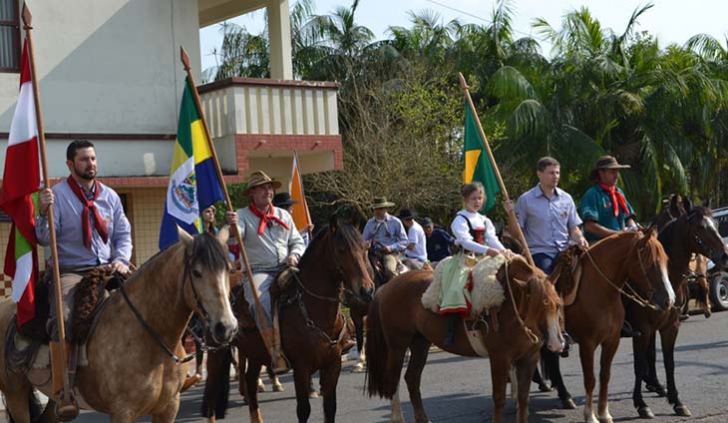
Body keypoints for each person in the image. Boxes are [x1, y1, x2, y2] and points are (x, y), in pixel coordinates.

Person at [36, 139, 132, 416]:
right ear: (70, 164)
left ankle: (169, 372)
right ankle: (62, 391)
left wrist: (121, 260)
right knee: (63, 319)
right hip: (71, 272)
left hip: (109, 268)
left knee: (152, 299)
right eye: (84, 160)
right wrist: (43, 213)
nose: (91, 164)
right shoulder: (56, 195)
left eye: (93, 158)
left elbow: (122, 236)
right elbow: (43, 237)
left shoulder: (110, 197)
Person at [225, 170, 305, 373]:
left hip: (287, 267)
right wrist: (232, 227)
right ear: (252, 192)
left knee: (313, 286)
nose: (268, 191)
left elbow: (296, 240)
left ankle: (330, 335)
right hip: (258, 272)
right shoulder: (242, 216)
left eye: (270, 188)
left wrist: (295, 254)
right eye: (262, 188)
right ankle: (275, 354)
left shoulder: (283, 214)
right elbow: (236, 236)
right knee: (262, 301)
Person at [579, 155, 641, 338]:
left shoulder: (618, 193)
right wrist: (617, 236)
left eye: (617, 171)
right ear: (601, 173)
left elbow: (629, 215)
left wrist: (631, 227)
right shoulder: (592, 195)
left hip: (622, 244)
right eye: (613, 171)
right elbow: (590, 225)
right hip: (599, 243)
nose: (616, 175)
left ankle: (635, 316)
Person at [442, 182, 505, 346]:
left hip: (486, 257)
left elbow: (493, 239)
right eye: (473, 198)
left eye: (479, 198)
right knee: (457, 288)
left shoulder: (485, 220)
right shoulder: (459, 219)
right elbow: (465, 241)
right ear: (465, 199)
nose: (477, 201)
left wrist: (505, 251)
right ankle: (450, 330)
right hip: (466, 259)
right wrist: (487, 250)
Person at [512, 157, 588, 275]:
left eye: (557, 173)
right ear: (539, 174)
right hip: (540, 252)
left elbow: (573, 228)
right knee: (547, 279)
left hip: (565, 251)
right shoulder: (525, 200)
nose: (555, 176)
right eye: (551, 173)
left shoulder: (566, 199)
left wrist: (580, 239)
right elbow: (517, 232)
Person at [362, 196, 409, 280]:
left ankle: (395, 291)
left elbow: (404, 241)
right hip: (374, 253)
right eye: (375, 209)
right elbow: (364, 240)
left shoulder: (395, 222)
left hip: (389, 254)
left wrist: (391, 247)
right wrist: (366, 244)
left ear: (386, 208)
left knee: (389, 270)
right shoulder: (370, 223)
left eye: (380, 209)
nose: (377, 211)